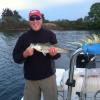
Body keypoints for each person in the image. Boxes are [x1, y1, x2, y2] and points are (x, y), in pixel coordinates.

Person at [13, 10, 60, 100]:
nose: (35, 21)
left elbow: (57, 56)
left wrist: (53, 54)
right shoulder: (23, 38)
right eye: (32, 18)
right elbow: (16, 58)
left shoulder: (50, 34)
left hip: (48, 77)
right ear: (29, 21)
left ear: (41, 19)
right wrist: (24, 54)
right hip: (30, 80)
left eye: (37, 18)